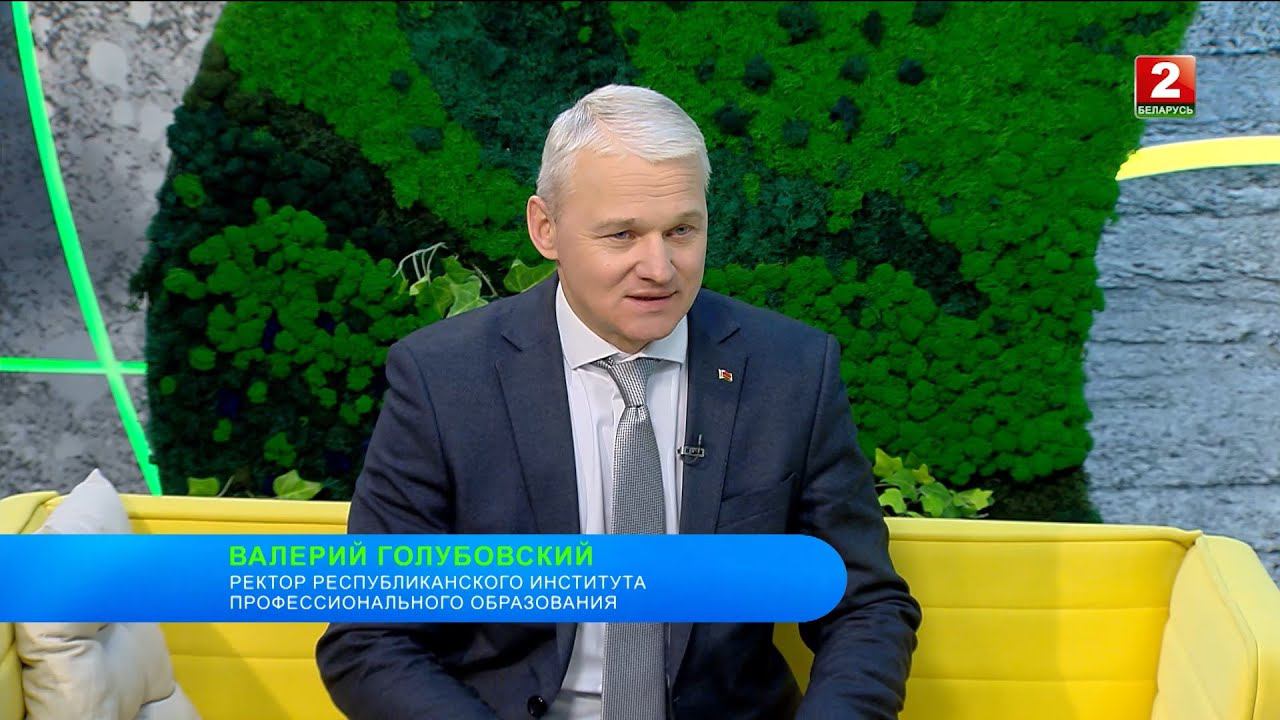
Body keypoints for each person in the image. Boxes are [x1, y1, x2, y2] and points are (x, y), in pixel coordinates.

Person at [316, 84, 921, 720]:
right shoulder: (444, 379)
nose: (659, 267)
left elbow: (865, 608)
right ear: (545, 229)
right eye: (622, 234)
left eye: (681, 230)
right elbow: (370, 636)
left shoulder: (790, 371)